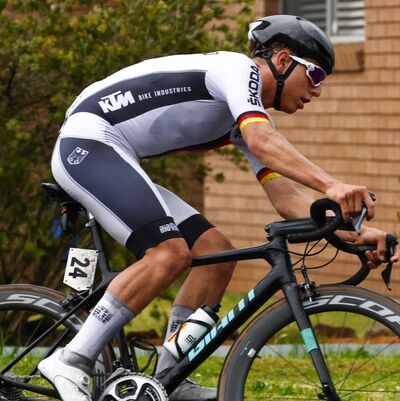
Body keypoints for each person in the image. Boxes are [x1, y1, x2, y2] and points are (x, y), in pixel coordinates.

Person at [38, 14, 399, 401]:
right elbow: (261, 141)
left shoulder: (244, 122)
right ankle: (72, 360)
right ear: (281, 61)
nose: (317, 91)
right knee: (169, 253)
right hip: (88, 144)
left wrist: (357, 234)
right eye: (314, 77)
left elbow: (287, 199)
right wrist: (332, 185)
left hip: (116, 153)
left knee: (217, 252)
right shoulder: (238, 71)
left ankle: (170, 380)